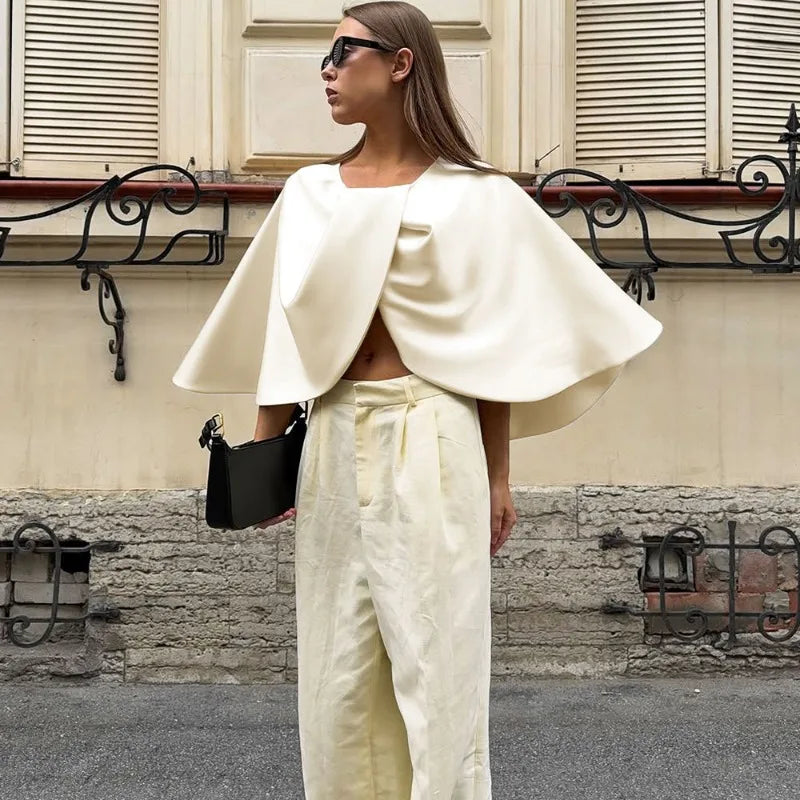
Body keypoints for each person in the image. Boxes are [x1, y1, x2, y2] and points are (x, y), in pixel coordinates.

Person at [172, 2, 663, 797]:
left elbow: (494, 351)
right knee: (337, 679)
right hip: (332, 438)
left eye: (343, 51)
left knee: (439, 672)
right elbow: (283, 338)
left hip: (434, 433)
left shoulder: (480, 198)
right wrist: (262, 464)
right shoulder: (309, 193)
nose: (326, 69)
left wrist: (498, 476)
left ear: (401, 63)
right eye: (324, 55)